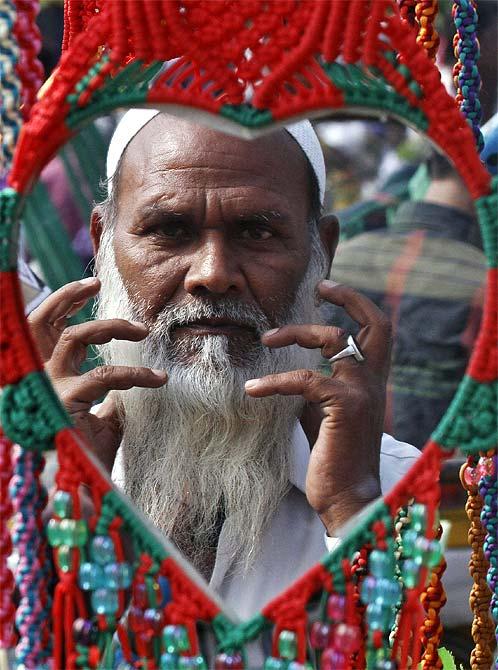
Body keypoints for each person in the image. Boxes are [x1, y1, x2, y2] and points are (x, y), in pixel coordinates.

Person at [28, 111, 419, 622]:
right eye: (169, 230)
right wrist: (62, 503)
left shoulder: (395, 489)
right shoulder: (28, 487)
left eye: (256, 232)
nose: (213, 274)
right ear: (104, 240)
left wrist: (352, 510)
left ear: (321, 248)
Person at [322, 152, 486, 449]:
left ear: (427, 171)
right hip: (431, 481)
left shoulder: (338, 259)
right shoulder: (482, 282)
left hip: (327, 460)